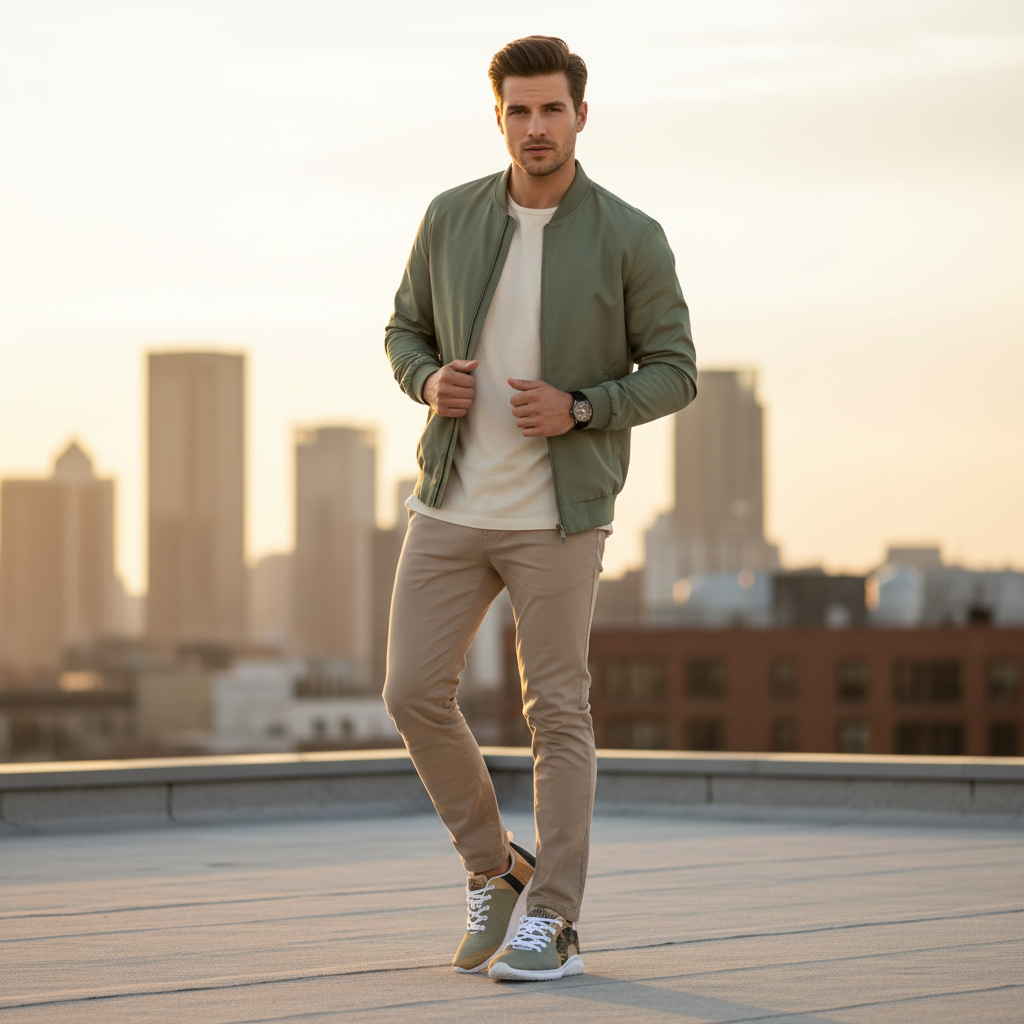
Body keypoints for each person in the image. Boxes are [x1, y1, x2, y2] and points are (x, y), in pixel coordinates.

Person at [383, 35, 696, 982]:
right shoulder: (450, 217)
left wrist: (584, 407)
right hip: (449, 504)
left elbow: (676, 371)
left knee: (556, 711)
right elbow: (403, 329)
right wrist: (426, 378)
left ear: (580, 117)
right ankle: (496, 868)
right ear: (499, 118)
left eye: (551, 109)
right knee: (410, 692)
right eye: (518, 111)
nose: (535, 128)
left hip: (558, 515)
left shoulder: (629, 235)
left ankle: (554, 916)